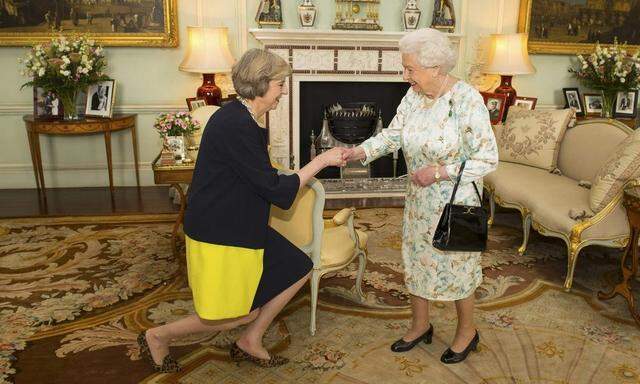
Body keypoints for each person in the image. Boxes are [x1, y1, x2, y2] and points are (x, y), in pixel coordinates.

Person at [137, 48, 348, 372]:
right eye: (280, 84)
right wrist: (321, 160)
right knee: (236, 314)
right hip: (220, 230)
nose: (283, 92)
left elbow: (259, 176)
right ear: (262, 84)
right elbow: (276, 191)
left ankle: (250, 339)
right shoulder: (235, 124)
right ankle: (157, 335)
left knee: (299, 264)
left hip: (240, 219)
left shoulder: (244, 117)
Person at [343, 28, 498, 364]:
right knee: (417, 260)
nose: (405, 75)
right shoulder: (413, 97)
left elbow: (487, 158)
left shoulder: (467, 101)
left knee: (457, 265)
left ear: (436, 69)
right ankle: (420, 325)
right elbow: (392, 136)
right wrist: (357, 152)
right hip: (419, 201)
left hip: (456, 201)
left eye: (410, 69)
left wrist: (439, 172)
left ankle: (467, 331)